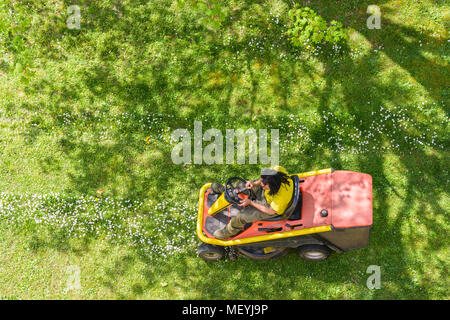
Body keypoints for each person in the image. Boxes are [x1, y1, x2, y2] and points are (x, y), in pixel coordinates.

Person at [211, 166, 293, 240]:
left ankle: (229, 231)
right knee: (241, 185)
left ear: (274, 186)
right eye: (262, 183)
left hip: (268, 206)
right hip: (266, 194)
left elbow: (270, 211)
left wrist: (251, 202)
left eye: (264, 185)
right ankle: (227, 190)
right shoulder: (277, 171)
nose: (262, 186)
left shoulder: (282, 196)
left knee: (242, 216)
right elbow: (263, 179)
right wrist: (254, 184)